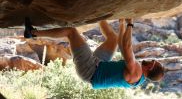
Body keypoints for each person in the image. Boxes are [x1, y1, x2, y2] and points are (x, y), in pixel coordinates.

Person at [24, 18, 164, 89]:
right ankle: (98, 15)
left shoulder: (136, 73)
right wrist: (122, 24)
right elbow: (122, 46)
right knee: (113, 39)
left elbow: (127, 47)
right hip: (100, 65)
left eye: (154, 61)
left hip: (90, 70)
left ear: (151, 67)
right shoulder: (138, 76)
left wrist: (130, 24)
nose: (152, 60)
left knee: (71, 32)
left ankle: (32, 33)